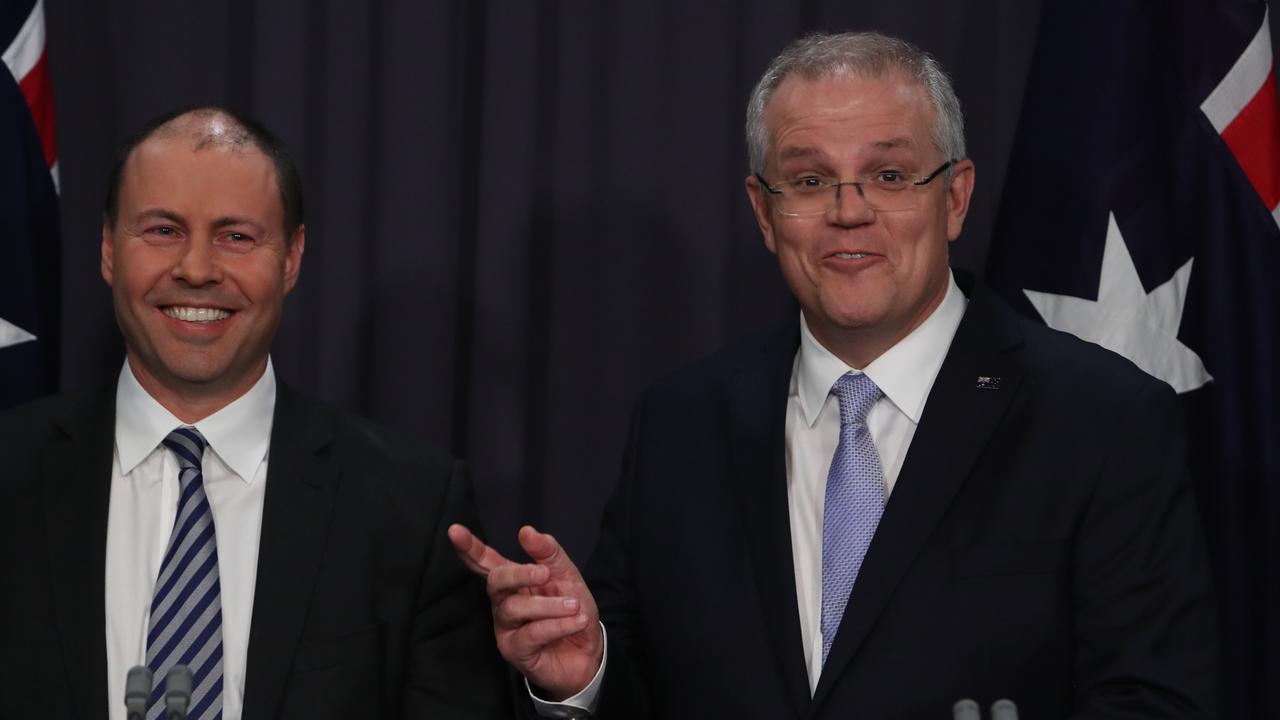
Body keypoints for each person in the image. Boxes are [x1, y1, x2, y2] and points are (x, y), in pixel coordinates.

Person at [449, 31, 1220, 718]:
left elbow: (1156, 698)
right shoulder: (682, 423)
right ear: (763, 212)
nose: (849, 212)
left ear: (954, 197)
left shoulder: (1100, 419)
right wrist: (586, 677)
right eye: (811, 181)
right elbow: (649, 687)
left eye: (889, 175)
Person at [0, 106, 510, 719]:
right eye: (162, 230)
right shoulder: (9, 473)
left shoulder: (411, 509)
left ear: (291, 258)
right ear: (109, 248)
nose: (196, 270)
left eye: (235, 236)